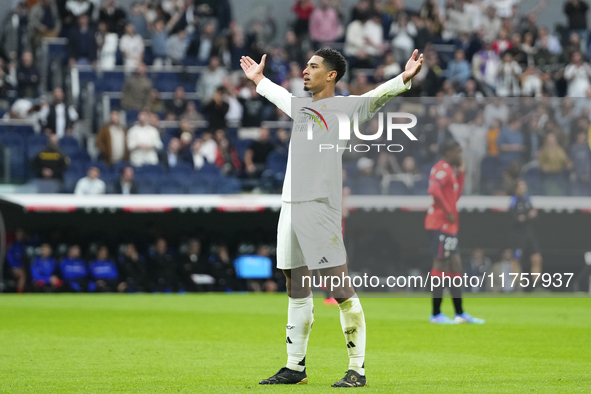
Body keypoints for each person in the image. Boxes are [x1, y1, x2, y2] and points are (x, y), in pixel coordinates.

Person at [240, 47, 422, 387]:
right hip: (290, 204)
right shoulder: (302, 107)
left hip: (320, 205)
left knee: (338, 286)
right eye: (306, 65)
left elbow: (376, 97)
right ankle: (295, 367)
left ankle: (358, 369)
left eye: (313, 66)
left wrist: (403, 78)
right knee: (295, 284)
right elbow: (279, 95)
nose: (305, 71)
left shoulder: (345, 107)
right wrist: (259, 80)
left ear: (331, 75)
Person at [425, 139, 484, 325]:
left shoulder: (451, 170)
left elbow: (454, 197)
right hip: (440, 225)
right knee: (440, 265)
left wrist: (462, 175)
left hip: (449, 227)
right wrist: (448, 211)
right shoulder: (441, 167)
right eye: (458, 152)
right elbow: (433, 189)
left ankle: (459, 313)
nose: (460, 155)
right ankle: (436, 314)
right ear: (449, 152)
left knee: (455, 266)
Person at [509, 180, 542, 291]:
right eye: (521, 186)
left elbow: (533, 215)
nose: (524, 188)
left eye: (525, 186)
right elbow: (516, 219)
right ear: (516, 188)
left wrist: (526, 216)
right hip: (518, 235)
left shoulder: (528, 200)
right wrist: (528, 216)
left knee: (537, 258)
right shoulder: (514, 201)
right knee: (516, 260)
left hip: (529, 234)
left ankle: (536, 286)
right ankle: (516, 287)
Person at [6, 228, 27, 293]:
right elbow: (9, 259)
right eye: (18, 234)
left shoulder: (24, 245)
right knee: (22, 275)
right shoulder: (12, 246)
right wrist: (15, 268)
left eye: (21, 234)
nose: (19, 236)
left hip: (23, 267)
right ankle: (19, 292)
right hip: (13, 268)